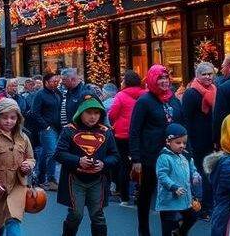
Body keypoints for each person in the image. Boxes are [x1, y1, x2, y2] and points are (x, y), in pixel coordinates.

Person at [129, 64, 185, 236]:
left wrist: (184, 149)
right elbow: (135, 130)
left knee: (168, 194)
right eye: (160, 78)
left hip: (171, 156)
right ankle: (143, 229)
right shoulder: (144, 101)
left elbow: (181, 126)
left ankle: (168, 231)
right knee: (146, 193)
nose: (164, 81)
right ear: (152, 80)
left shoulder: (174, 100)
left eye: (166, 78)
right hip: (150, 156)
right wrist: (136, 159)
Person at [54, 94, 118, 236]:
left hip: (98, 180)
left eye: (96, 113)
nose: (93, 117)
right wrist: (78, 160)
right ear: (80, 112)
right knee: (76, 214)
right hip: (75, 179)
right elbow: (59, 153)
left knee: (98, 215)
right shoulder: (69, 130)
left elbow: (114, 156)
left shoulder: (106, 132)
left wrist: (104, 164)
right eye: (88, 112)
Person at [0, 98, 36, 236]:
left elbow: (31, 158)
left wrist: (29, 165)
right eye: (5, 117)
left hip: (17, 185)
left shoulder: (23, 138)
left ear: (18, 119)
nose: (9, 121)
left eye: (13, 118)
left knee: (13, 219)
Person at [180, 62, 218, 216]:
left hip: (210, 138)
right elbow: (186, 118)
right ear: (198, 76)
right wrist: (186, 141)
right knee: (200, 172)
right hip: (195, 139)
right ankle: (201, 205)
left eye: (210, 74)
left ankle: (208, 204)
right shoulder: (191, 93)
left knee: (209, 171)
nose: (208, 77)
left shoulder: (215, 90)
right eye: (204, 74)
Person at [155, 124, 201, 236]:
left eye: (184, 143)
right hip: (169, 199)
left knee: (193, 216)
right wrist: (173, 187)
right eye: (178, 143)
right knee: (168, 226)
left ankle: (180, 232)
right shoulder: (164, 157)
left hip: (185, 198)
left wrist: (195, 175)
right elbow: (162, 176)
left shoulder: (185, 156)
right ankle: (174, 232)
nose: (182, 146)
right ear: (168, 142)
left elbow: (192, 168)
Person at [107, 70, 145, 206]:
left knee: (124, 164)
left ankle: (124, 197)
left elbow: (112, 114)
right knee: (140, 163)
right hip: (140, 134)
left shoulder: (120, 96)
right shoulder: (145, 95)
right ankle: (140, 193)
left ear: (126, 82)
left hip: (122, 134)